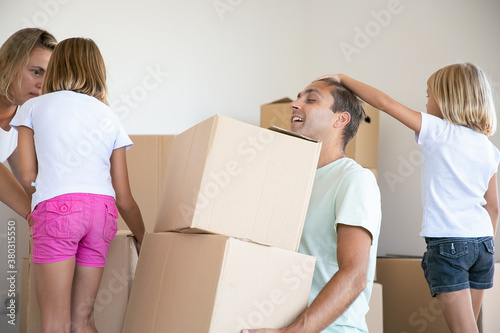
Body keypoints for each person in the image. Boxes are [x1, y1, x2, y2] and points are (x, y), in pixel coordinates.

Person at [327, 63, 499, 333]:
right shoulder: (489, 149)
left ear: (446, 100)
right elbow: (494, 207)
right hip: (484, 245)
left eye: (429, 96)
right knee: (468, 328)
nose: (427, 102)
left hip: (450, 244)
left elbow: (384, 103)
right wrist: (482, 244)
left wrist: (341, 78)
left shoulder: (439, 131)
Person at [11, 37, 146, 333]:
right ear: (98, 71)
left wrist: (46, 197)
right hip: (102, 214)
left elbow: (26, 176)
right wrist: (144, 239)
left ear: (56, 66)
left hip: (57, 211)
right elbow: (124, 197)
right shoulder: (110, 117)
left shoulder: (33, 107)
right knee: (82, 320)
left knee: (55, 322)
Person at [243, 78, 382, 332]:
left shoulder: (353, 179)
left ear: (340, 119)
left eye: (310, 99)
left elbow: (354, 276)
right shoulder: (293, 179)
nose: (294, 104)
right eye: (298, 98)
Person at [0, 28, 55, 219]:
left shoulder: (20, 116)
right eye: (36, 72)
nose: (42, 84)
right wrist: (36, 216)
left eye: (48, 76)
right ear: (9, 64)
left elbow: (30, 181)